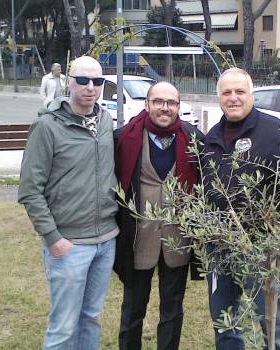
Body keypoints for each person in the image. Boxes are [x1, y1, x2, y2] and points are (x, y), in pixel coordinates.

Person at [202, 67, 280, 350]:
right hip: (219, 248)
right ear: (218, 97)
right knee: (225, 320)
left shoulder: (274, 131)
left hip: (262, 247)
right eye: (226, 92)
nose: (233, 98)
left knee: (272, 323)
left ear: (251, 94)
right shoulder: (211, 138)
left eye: (239, 91)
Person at [18, 56, 117, 350]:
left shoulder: (105, 120)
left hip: (105, 240)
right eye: (83, 80)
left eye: (97, 81)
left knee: (91, 317)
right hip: (69, 243)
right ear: (68, 82)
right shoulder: (47, 127)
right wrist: (53, 238)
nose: (90, 87)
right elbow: (29, 190)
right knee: (63, 327)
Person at [114, 81, 202, 350]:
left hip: (178, 240)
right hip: (138, 239)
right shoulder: (123, 139)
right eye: (158, 102)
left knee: (172, 311)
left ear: (178, 106)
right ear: (147, 104)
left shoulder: (194, 139)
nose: (165, 108)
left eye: (171, 103)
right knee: (133, 310)